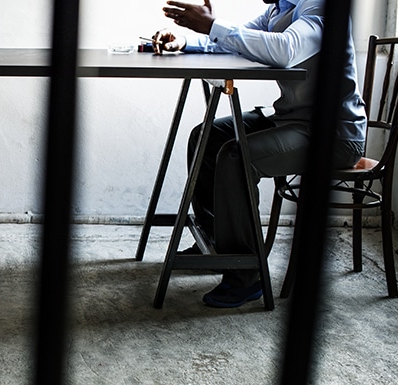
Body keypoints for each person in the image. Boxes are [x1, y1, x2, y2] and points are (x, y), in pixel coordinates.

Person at [152, 0, 366, 307]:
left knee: (237, 157)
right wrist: (186, 41)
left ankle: (245, 275)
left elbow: (285, 49)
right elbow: (236, 44)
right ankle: (217, 245)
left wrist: (213, 25)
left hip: (333, 134)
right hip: (293, 118)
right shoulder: (278, 10)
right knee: (207, 135)